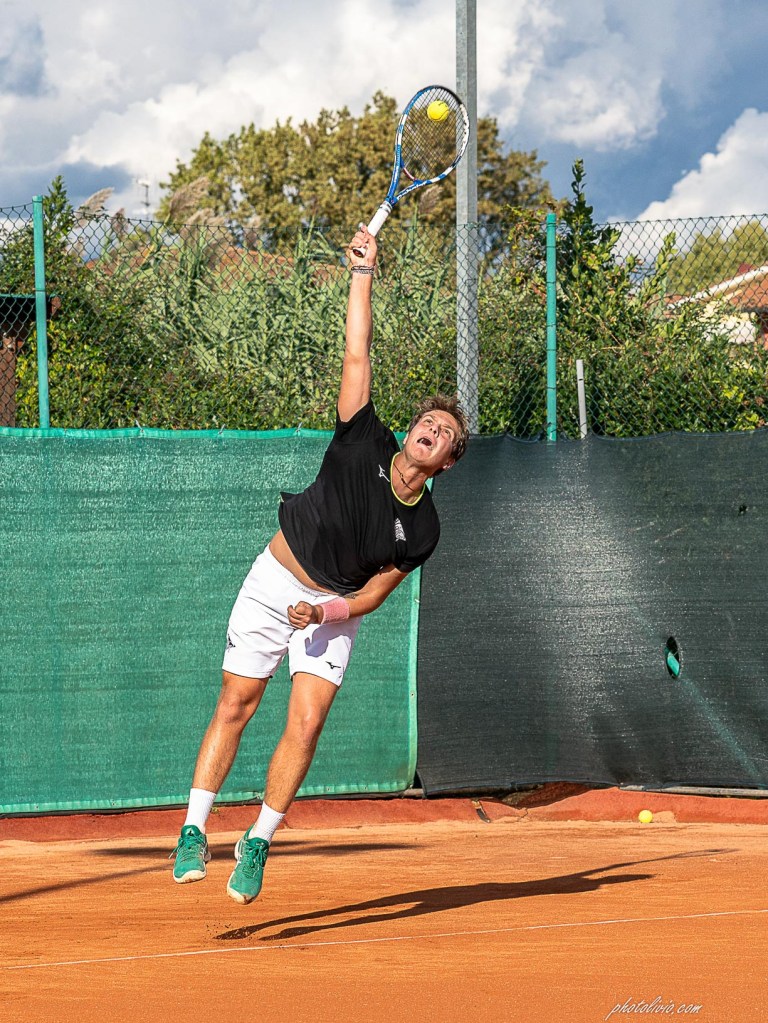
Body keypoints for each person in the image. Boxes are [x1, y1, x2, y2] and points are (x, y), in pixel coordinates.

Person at [170, 224, 469, 905]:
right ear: (411, 429)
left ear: (447, 463)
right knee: (237, 702)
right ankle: (193, 829)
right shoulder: (362, 432)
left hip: (332, 610)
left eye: (446, 434)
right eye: (429, 421)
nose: (432, 429)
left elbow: (373, 596)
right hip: (273, 580)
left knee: (305, 724)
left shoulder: (423, 529)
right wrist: (363, 273)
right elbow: (357, 349)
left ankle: (258, 841)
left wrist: (324, 611)